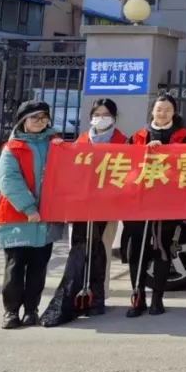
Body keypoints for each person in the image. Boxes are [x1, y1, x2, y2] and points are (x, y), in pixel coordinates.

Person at [42, 100, 128, 326]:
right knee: (80, 248)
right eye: (97, 114)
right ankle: (77, 292)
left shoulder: (123, 142)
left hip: (108, 206)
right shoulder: (81, 141)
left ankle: (98, 296)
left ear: (114, 117)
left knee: (101, 249)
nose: (101, 118)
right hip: (81, 205)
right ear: (91, 117)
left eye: (106, 114)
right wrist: (60, 147)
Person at [0, 100, 65, 329]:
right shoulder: (12, 148)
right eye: (34, 117)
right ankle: (11, 312)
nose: (39, 121)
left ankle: (31, 310)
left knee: (38, 267)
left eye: (44, 117)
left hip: (47, 216)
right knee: (15, 266)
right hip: (18, 216)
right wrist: (28, 208)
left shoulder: (56, 144)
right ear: (23, 121)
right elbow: (9, 181)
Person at [125, 93, 186, 318]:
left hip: (168, 201)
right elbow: (125, 165)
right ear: (152, 111)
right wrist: (145, 153)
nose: (163, 113)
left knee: (162, 247)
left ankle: (157, 299)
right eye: (159, 109)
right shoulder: (138, 136)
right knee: (137, 250)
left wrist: (166, 153)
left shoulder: (183, 136)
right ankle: (138, 297)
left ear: (174, 112)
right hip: (139, 202)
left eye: (168, 110)